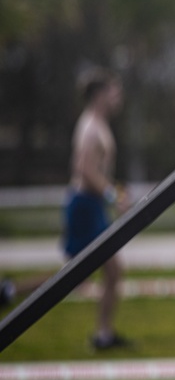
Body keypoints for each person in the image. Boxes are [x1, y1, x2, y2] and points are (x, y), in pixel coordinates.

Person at [64, 67, 131, 349]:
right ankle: (10, 291)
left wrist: (112, 193)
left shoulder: (97, 123)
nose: (117, 97)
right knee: (70, 277)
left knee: (106, 271)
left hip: (90, 205)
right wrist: (112, 195)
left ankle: (104, 334)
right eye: (112, 91)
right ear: (99, 95)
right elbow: (84, 170)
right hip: (85, 205)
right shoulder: (91, 127)